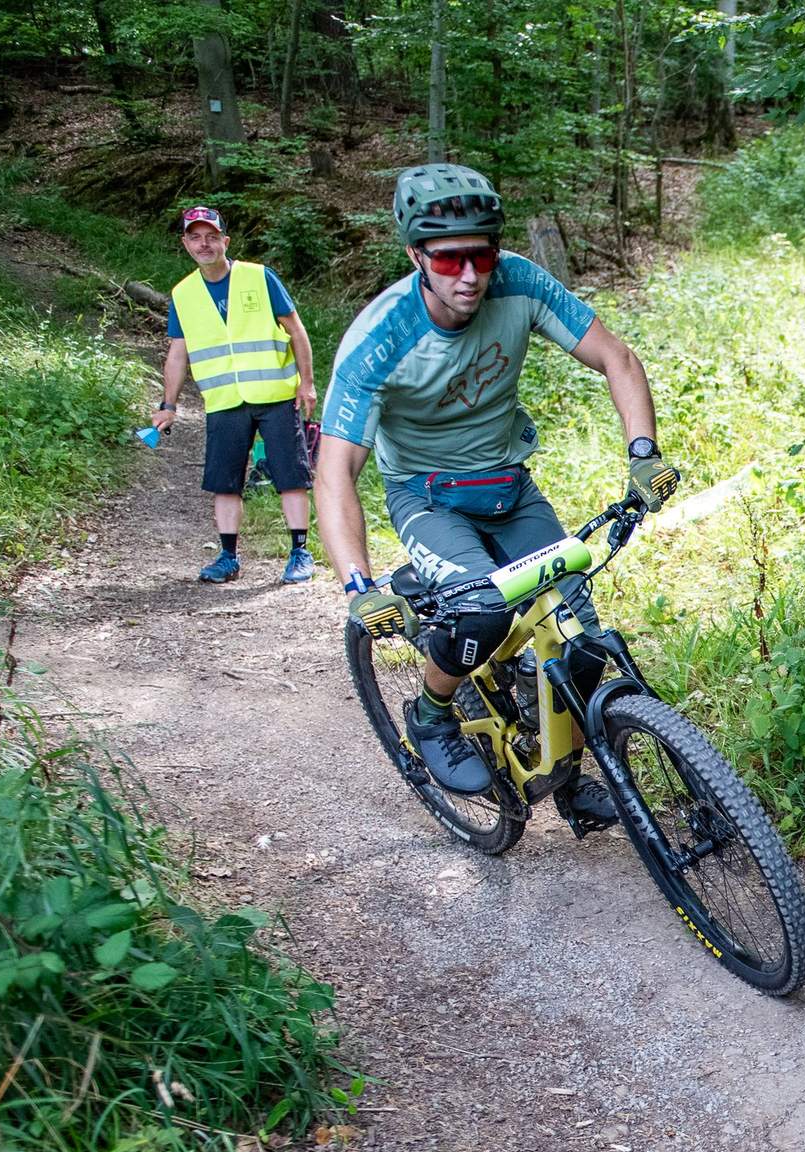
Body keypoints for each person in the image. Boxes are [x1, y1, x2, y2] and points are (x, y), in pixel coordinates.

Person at [314, 164, 678, 820]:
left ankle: (565, 781)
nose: (469, 276)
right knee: (481, 612)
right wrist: (358, 586)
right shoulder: (379, 340)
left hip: (510, 487)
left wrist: (643, 454)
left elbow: (616, 358)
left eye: (481, 256)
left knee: (580, 646)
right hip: (428, 497)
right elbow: (335, 472)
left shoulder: (519, 281)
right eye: (448, 260)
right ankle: (432, 714)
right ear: (415, 256)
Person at [152, 205, 320, 584]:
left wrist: (306, 383)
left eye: (211, 237)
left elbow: (296, 330)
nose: (204, 244)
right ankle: (228, 558)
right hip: (224, 400)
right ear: (185, 244)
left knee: (291, 475)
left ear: (225, 241)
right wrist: (168, 405)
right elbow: (177, 353)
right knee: (224, 482)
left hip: (275, 394)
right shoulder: (183, 294)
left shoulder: (259, 277)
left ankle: (300, 552)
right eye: (195, 237)